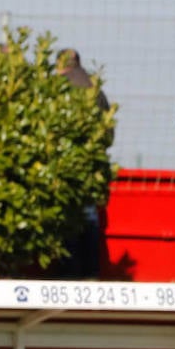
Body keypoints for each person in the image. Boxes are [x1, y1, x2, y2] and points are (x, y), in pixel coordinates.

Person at [55, 48, 112, 279]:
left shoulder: (57, 87)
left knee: (65, 214)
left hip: (64, 162)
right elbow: (108, 132)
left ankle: (68, 271)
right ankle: (91, 271)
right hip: (91, 162)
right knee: (89, 215)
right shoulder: (94, 88)